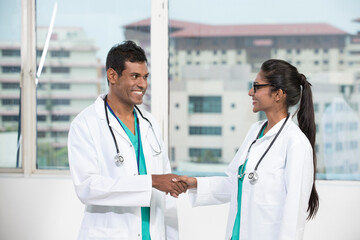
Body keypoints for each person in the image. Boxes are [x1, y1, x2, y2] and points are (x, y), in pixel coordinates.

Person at [175, 59, 319, 240]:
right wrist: (194, 183)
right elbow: (236, 183)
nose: (251, 92)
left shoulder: (296, 144)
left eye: (257, 86)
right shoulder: (254, 131)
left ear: (278, 94)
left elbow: (293, 216)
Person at [68, 40, 186, 240]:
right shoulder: (85, 124)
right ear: (112, 76)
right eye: (135, 76)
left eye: (145, 77)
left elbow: (167, 195)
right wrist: (152, 182)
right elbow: (87, 188)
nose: (142, 84)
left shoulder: (150, 123)